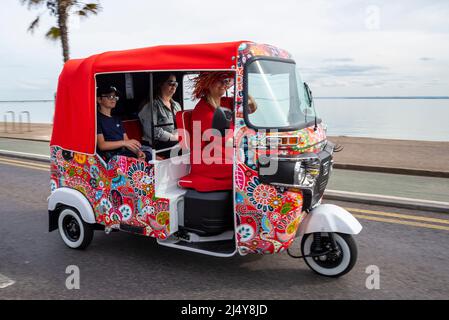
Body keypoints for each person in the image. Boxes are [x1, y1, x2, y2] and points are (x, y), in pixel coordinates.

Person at [187, 72, 257, 190]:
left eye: (227, 81)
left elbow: (251, 108)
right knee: (252, 168)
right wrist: (248, 143)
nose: (225, 84)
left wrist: (243, 90)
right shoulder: (203, 110)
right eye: (220, 80)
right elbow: (224, 140)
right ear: (208, 82)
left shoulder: (225, 101)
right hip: (209, 161)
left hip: (227, 153)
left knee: (258, 160)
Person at [96, 85, 149, 162]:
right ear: (99, 99)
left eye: (115, 97)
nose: (113, 99)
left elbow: (126, 140)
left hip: (123, 153)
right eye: (110, 96)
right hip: (110, 157)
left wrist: (138, 152)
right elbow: (102, 145)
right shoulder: (97, 119)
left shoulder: (117, 119)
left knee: (149, 155)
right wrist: (124, 143)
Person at [138, 73, 181, 156]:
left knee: (195, 144)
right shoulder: (151, 105)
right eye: (170, 83)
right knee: (184, 149)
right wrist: (172, 137)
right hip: (157, 144)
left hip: (175, 140)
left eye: (175, 84)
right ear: (161, 84)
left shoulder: (177, 105)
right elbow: (152, 131)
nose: (174, 86)